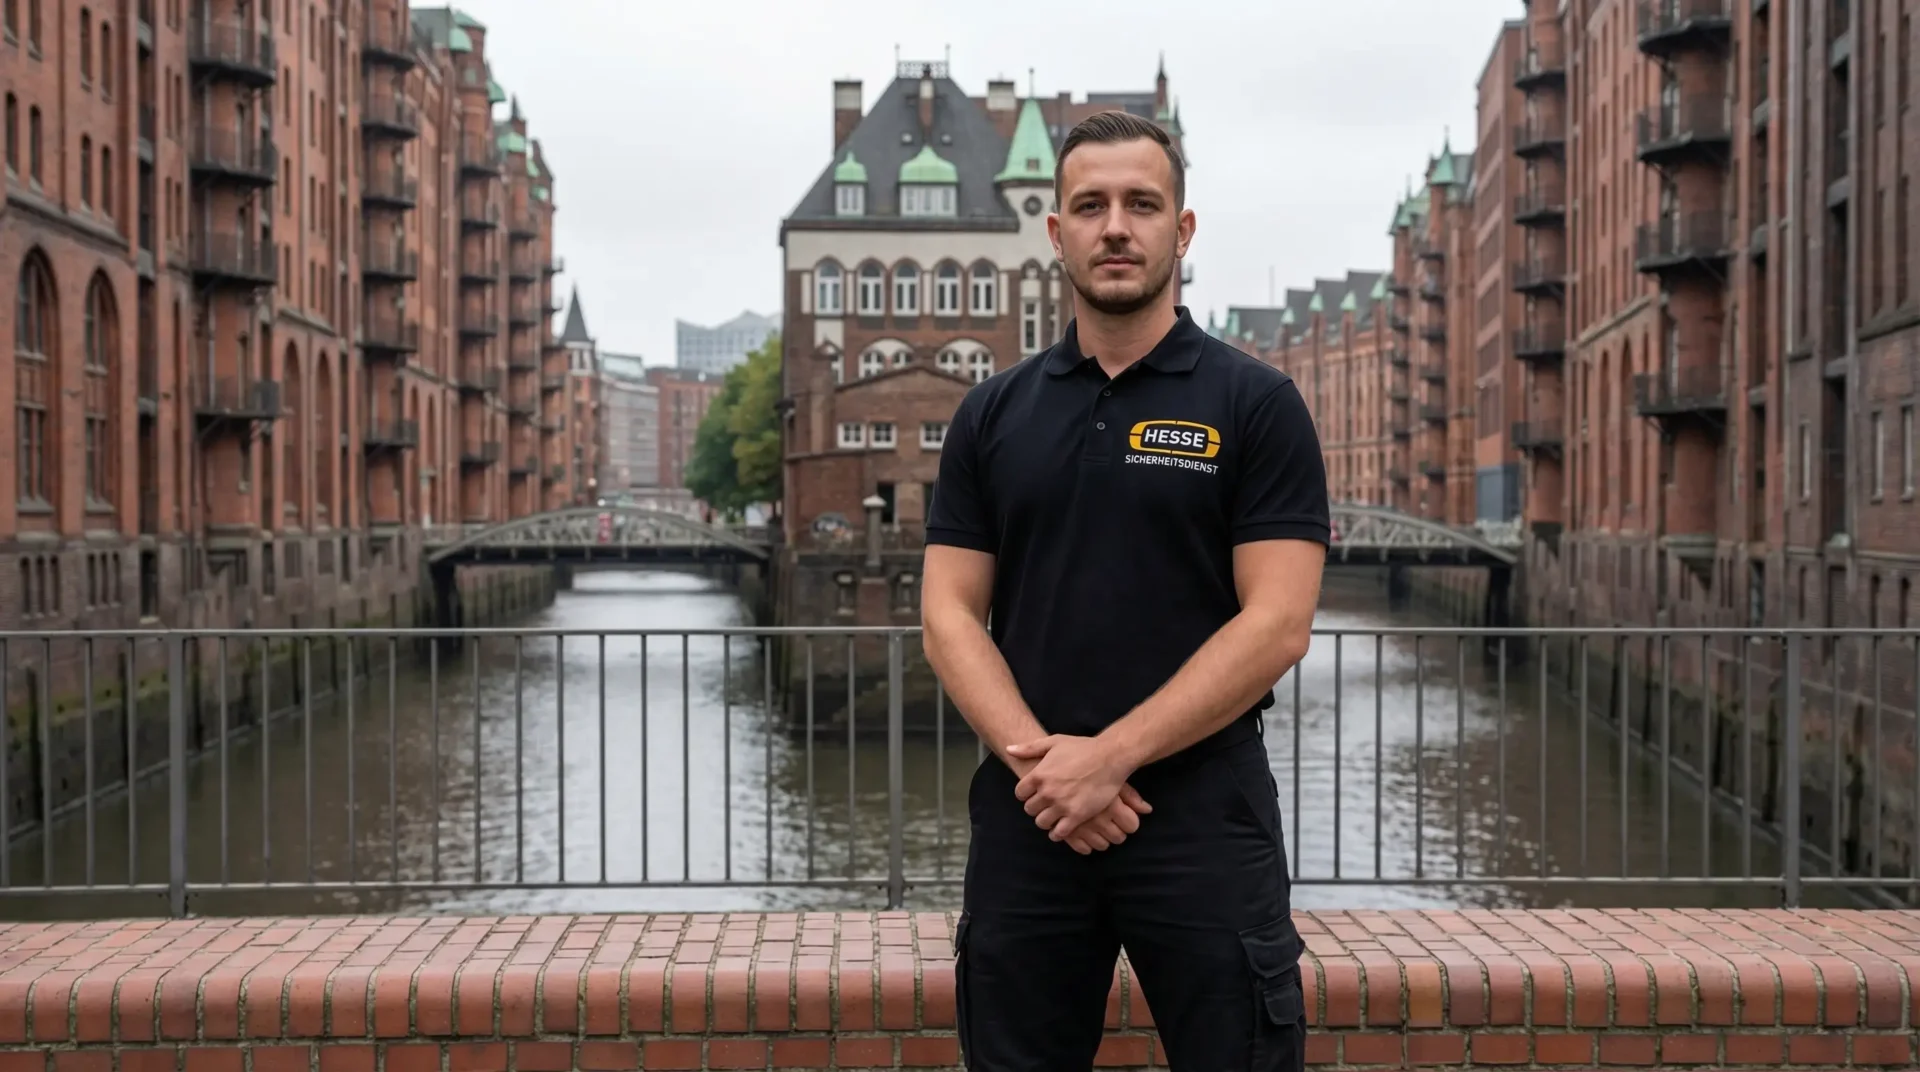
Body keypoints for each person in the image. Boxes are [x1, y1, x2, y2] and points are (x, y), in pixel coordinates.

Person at [920, 109, 1330, 1071]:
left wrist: (1109, 759)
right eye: (1091, 205)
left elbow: (1278, 624)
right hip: (1033, 813)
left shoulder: (1255, 405)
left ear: (1181, 229)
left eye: (1142, 204)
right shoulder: (992, 413)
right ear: (1055, 231)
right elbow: (947, 614)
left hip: (1202, 818)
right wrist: (1046, 768)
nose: (1116, 226)